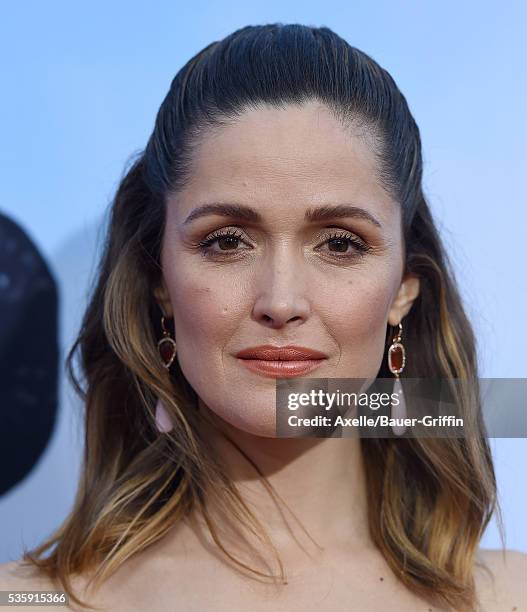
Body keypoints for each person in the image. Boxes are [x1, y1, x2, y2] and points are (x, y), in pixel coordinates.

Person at [1, 23, 526, 612]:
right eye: (226, 241)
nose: (281, 301)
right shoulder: (29, 600)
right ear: (159, 282)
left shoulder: (509, 596)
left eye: (340, 243)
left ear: (404, 289)